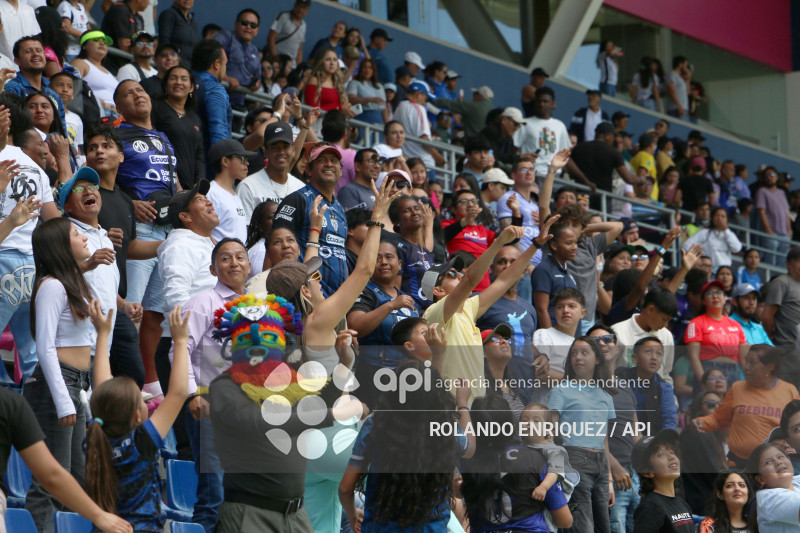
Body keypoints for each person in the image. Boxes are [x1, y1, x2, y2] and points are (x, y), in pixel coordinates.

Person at [82, 303, 188, 533]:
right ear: (138, 415)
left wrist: (102, 334)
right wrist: (180, 342)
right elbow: (178, 393)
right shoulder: (141, 442)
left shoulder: (93, 439)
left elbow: (103, 392)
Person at [168, 238, 250, 532]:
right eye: (226, 259)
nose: (234, 263)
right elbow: (177, 350)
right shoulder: (202, 303)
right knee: (213, 495)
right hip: (211, 408)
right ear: (213, 269)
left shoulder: (258, 308)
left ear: (249, 266)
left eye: (240, 257)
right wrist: (191, 395)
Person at [340, 361, 473, 532]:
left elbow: (345, 488)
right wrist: (462, 403)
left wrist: (353, 516)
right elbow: (469, 448)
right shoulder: (443, 426)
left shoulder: (376, 424)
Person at [22, 218, 94, 532]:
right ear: (61, 246)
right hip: (57, 386)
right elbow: (45, 346)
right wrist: (65, 402)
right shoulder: (52, 285)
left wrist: (82, 401)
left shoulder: (74, 282)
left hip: (76, 384)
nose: (83, 237)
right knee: (51, 479)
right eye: (76, 234)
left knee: (75, 478)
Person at [113, 79, 179, 400]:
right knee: (132, 309)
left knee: (154, 313)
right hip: (139, 231)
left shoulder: (164, 138)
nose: (138, 95)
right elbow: (103, 177)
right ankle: (121, 379)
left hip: (166, 230)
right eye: (129, 93)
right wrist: (129, 202)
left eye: (140, 90)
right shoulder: (117, 135)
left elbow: (173, 183)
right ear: (119, 108)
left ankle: (149, 383)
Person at [548, 337, 617, 533]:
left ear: (597, 359)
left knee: (604, 527)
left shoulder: (605, 394)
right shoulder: (561, 390)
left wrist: (610, 479)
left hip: (601, 465)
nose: (578, 357)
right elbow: (550, 431)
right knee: (582, 527)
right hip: (574, 459)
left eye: (584, 353)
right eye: (574, 353)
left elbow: (604, 439)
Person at [694, 345, 800, 468]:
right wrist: (699, 422)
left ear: (769, 367)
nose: (746, 367)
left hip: (775, 465)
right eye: (746, 361)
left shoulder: (789, 391)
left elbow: (794, 426)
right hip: (739, 464)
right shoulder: (737, 388)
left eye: (752, 363)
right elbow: (719, 419)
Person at [347, 238, 419, 407]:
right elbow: (355, 326)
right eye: (377, 258)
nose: (384, 262)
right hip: (373, 376)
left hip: (406, 378)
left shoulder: (407, 299)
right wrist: (391, 305)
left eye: (389, 257)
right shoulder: (366, 293)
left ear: (399, 264)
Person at [272, 142, 348, 297]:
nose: (328, 164)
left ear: (341, 171)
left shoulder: (340, 208)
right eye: (322, 160)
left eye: (333, 160)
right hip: (305, 295)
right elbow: (276, 248)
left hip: (338, 300)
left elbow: (341, 253)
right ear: (308, 169)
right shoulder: (297, 200)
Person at [150, 64, 205, 190]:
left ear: (191, 87)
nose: (178, 82)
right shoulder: (156, 107)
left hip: (189, 186)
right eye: (173, 78)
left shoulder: (194, 118)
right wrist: (174, 178)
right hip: (163, 181)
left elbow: (199, 155)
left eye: (184, 79)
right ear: (165, 85)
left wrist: (199, 184)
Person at [685, 279, 748, 386]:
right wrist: (703, 382)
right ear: (703, 301)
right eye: (709, 293)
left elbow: (744, 358)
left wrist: (750, 381)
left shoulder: (736, 325)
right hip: (708, 370)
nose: (715, 296)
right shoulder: (695, 323)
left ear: (724, 298)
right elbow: (693, 357)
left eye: (719, 292)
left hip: (734, 371)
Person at [238, 121, 306, 218]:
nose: (281, 152)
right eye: (274, 147)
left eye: (285, 147)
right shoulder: (248, 187)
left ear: (293, 150)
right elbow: (244, 229)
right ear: (266, 151)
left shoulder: (301, 189)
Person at [631, 430, 694, 532]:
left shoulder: (682, 504)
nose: (671, 457)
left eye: (672, 451)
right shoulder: (650, 508)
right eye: (661, 454)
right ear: (648, 472)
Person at [612, 287, 678, 383]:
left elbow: (665, 373)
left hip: (655, 395)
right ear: (650, 309)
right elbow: (607, 373)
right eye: (664, 319)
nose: (666, 325)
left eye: (669, 321)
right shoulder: (618, 333)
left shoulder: (666, 336)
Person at [532, 288, 584, 404]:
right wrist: (576, 380)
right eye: (560, 307)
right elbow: (538, 374)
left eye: (571, 306)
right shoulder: (544, 335)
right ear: (555, 312)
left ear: (582, 313)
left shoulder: (582, 344)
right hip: (546, 410)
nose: (565, 310)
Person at [615, 337, 677, 432]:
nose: (654, 357)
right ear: (635, 358)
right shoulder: (619, 376)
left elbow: (669, 421)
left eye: (658, 354)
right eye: (648, 352)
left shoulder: (664, 387)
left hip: (650, 440)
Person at [386, 194, 436, 310]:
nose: (414, 213)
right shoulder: (397, 248)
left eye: (416, 208)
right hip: (411, 315)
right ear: (396, 221)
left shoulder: (423, 250)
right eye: (407, 210)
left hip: (429, 314)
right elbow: (393, 291)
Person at [6, 35, 66, 126]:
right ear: (17, 61)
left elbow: (61, 128)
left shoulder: (53, 90)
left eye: (39, 50)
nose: (35, 54)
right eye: (28, 51)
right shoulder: (12, 89)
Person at [442, 188, 495, 292]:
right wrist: (465, 221)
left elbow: (509, 238)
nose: (470, 205)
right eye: (464, 202)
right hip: (459, 286)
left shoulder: (483, 230)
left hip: (483, 289)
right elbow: (443, 236)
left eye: (474, 201)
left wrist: (516, 213)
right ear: (453, 209)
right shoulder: (448, 224)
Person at [570, 122, 641, 198]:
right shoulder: (614, 152)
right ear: (608, 136)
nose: (613, 139)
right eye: (613, 136)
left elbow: (568, 166)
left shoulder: (579, 147)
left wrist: (584, 180)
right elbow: (628, 179)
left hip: (580, 193)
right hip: (602, 198)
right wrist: (642, 180)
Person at [532, 222, 579, 329]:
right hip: (554, 338)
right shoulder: (544, 270)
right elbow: (541, 309)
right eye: (568, 243)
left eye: (575, 242)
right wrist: (550, 340)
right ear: (554, 245)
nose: (574, 247)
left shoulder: (568, 271)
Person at [206, 139, 254, 243]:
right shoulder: (211, 193)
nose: (247, 163)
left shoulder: (234, 195)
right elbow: (204, 232)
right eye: (242, 158)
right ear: (225, 161)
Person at [213, 9, 261, 112]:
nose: (248, 27)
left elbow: (258, 76)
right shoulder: (226, 36)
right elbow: (209, 53)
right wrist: (226, 78)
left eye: (253, 25)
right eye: (244, 23)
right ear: (236, 24)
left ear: (257, 30)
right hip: (217, 98)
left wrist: (256, 84)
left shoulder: (255, 50)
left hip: (238, 104)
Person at [745, 442, 800, 532]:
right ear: (760, 479)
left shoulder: (795, 482)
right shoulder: (768, 498)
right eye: (768, 462)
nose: (778, 462)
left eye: (780, 457)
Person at [191, 38, 232, 157]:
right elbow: (218, 130)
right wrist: (222, 166)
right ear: (216, 64)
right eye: (225, 64)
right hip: (206, 164)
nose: (225, 69)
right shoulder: (215, 89)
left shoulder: (182, 84)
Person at [394, 80, 445, 171]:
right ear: (419, 94)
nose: (425, 102)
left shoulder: (399, 107)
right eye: (425, 98)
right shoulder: (418, 108)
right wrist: (438, 157)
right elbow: (423, 137)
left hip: (407, 163)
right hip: (424, 164)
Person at [69, 31, 117, 117]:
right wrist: (96, 102)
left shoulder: (109, 72)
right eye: (96, 40)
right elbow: (70, 89)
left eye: (104, 42)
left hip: (118, 116)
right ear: (84, 46)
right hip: (96, 113)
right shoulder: (80, 63)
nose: (102, 43)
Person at [763, 247, 800, 350]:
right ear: (788, 264)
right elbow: (767, 316)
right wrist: (773, 337)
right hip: (787, 347)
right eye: (798, 260)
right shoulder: (781, 282)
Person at [756, 166, 792, 266]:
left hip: (784, 234)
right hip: (771, 233)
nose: (769, 177)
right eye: (766, 175)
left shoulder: (782, 192)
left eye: (772, 175)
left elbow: (786, 213)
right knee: (770, 263)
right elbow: (761, 212)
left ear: (777, 177)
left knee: (782, 263)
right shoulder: (762, 191)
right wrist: (769, 231)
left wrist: (789, 231)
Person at [304, 46, 349, 113]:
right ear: (321, 61)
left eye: (335, 59)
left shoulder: (336, 81)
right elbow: (312, 110)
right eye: (328, 59)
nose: (332, 63)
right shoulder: (314, 80)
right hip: (320, 122)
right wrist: (339, 108)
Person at [267, 0, 309, 69]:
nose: (301, 9)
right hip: (278, 62)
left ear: (307, 10)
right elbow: (271, 38)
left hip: (291, 66)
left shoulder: (303, 25)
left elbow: (300, 48)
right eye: (299, 6)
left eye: (304, 8)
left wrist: (299, 68)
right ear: (295, 5)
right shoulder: (283, 16)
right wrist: (275, 59)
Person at [346, 58, 388, 125]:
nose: (367, 70)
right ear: (360, 69)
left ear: (374, 70)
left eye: (370, 68)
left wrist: (387, 123)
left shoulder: (379, 86)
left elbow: (384, 107)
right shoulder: (354, 83)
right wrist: (369, 99)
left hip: (378, 118)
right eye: (364, 67)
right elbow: (351, 99)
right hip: (363, 116)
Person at [157, 0, 197, 65]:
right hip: (173, 65)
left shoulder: (193, 21)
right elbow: (164, 41)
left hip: (189, 68)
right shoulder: (168, 14)